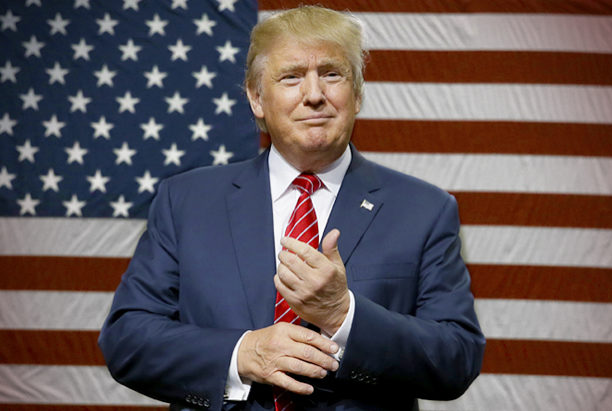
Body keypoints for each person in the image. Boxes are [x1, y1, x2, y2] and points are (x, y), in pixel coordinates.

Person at [99, 6, 485, 411]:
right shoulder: (185, 201)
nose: (314, 95)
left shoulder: (424, 210)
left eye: (332, 74)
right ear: (256, 97)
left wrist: (343, 315)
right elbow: (127, 339)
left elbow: (457, 359)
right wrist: (241, 354)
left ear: (357, 94)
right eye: (291, 77)